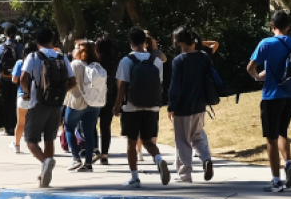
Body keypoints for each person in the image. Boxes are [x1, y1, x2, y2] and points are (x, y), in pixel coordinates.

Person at [248, 9, 291, 192]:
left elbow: (250, 67)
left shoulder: (266, 43)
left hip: (271, 95)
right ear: (289, 26)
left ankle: (275, 180)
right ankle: (288, 162)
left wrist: (258, 76)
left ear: (272, 26)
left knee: (271, 138)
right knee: (283, 131)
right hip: (290, 94)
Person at [114, 27, 172, 188]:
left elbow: (122, 86)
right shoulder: (157, 61)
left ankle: (134, 177)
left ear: (131, 42)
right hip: (152, 107)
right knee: (148, 141)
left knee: (132, 143)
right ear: (145, 42)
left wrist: (117, 106)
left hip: (132, 107)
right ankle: (159, 159)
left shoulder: (126, 60)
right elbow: (159, 83)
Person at [19, 26, 75, 188]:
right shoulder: (61, 57)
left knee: (30, 140)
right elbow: (72, 82)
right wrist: (60, 92)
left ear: (36, 41)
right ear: (52, 40)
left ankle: (45, 162)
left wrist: (27, 92)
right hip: (56, 104)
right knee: (49, 139)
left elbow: (23, 77)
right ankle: (44, 176)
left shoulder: (34, 56)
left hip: (38, 103)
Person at [168, 27, 222, 183]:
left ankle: (185, 174)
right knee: (197, 136)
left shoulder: (179, 60)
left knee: (182, 140)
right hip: (199, 105)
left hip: (183, 107)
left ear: (178, 41)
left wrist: (171, 106)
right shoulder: (203, 57)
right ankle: (206, 159)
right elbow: (212, 47)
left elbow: (175, 86)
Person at [64, 38, 106, 171]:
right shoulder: (96, 65)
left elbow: (69, 82)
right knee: (89, 132)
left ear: (81, 51)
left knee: (69, 127)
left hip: (77, 101)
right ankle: (88, 163)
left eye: (75, 48)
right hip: (94, 103)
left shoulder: (75, 65)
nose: (73, 50)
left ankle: (76, 158)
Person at [95, 36, 119, 165]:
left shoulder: (95, 61)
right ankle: (105, 155)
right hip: (110, 96)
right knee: (106, 126)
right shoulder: (115, 61)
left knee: (91, 123)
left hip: (95, 96)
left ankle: (95, 149)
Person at [0, 25, 22, 139]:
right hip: (17, 79)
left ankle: (7, 128)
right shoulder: (20, 47)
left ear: (5, 34)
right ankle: (15, 126)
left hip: (4, 78)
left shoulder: (0, 48)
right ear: (16, 33)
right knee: (16, 103)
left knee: (6, 103)